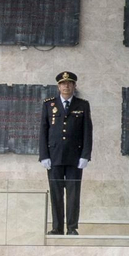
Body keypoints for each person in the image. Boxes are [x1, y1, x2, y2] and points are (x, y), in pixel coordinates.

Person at [39, 70, 92, 236]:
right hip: (54, 156)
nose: (66, 86)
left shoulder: (82, 105)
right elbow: (43, 131)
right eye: (63, 83)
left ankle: (71, 227)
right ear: (58, 86)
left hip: (74, 157)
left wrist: (85, 155)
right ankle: (56, 227)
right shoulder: (49, 104)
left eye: (69, 83)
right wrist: (44, 155)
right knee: (55, 193)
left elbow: (87, 131)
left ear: (74, 86)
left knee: (73, 194)